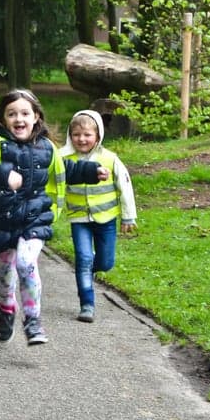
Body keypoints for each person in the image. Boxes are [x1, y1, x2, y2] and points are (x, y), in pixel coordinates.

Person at [0, 89, 108, 345]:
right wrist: (2, 174)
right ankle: (7, 307)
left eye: (24, 113)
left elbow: (67, 169)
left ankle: (33, 320)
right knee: (6, 276)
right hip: (2, 221)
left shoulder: (47, 148)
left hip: (34, 220)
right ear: (3, 119)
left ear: (36, 117)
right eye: (12, 114)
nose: (19, 119)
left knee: (26, 263)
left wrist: (91, 170)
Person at [60, 109, 137, 323]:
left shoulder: (110, 159)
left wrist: (128, 216)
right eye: (76, 135)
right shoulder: (62, 158)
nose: (81, 139)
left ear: (98, 135)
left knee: (104, 262)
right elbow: (52, 185)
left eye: (87, 135)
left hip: (106, 219)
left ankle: (86, 271)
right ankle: (87, 304)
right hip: (79, 219)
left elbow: (125, 187)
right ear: (70, 135)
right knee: (84, 259)